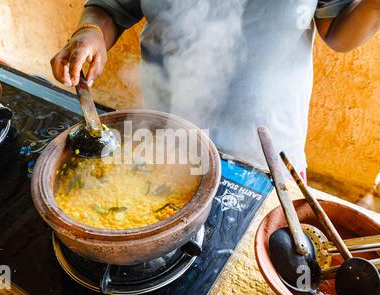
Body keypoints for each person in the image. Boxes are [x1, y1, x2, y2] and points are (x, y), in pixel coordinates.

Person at [50, 0, 379, 174]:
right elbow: (109, 7)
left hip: (267, 158)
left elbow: (336, 31)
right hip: (166, 142)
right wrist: (90, 31)